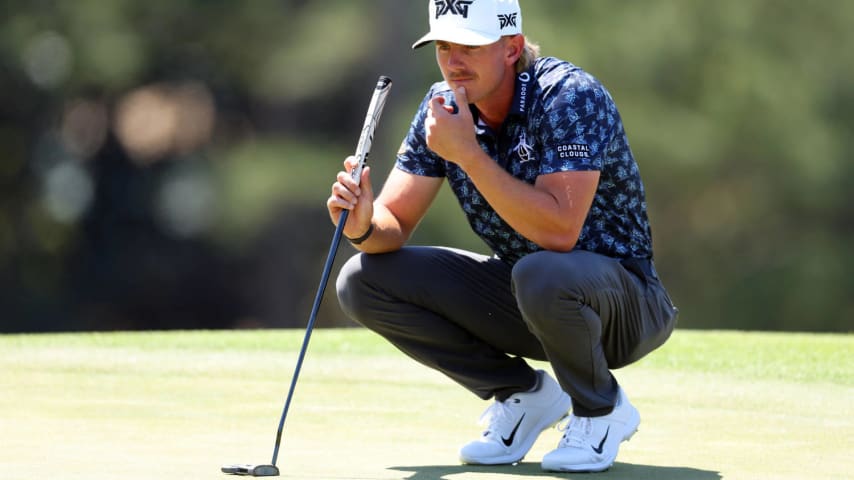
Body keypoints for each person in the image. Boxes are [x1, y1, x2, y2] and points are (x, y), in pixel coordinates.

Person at [327, 0, 678, 473]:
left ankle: (601, 409)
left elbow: (559, 231)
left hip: (626, 306)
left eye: (470, 46)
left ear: (512, 48)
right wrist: (363, 223)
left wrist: (469, 155)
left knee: (541, 271)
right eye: (444, 47)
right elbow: (392, 227)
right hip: (528, 296)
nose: (454, 62)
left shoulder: (569, 96)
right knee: (362, 279)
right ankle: (522, 394)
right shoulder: (442, 108)